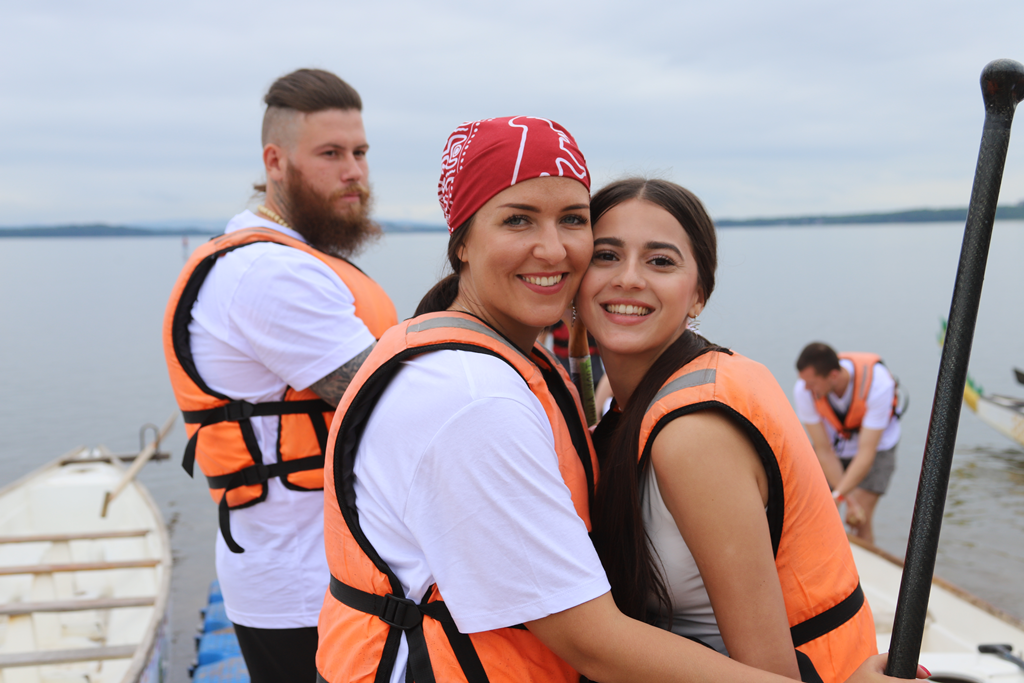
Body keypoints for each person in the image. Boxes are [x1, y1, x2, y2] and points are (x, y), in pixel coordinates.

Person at [315, 118, 922, 683]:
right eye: (518, 220)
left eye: (571, 221)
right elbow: (592, 639)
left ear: (700, 294)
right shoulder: (476, 398)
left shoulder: (672, 420)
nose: (554, 250)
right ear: (463, 243)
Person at [578, 178, 878, 683]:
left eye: (660, 261)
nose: (628, 279)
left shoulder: (693, 434)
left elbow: (770, 672)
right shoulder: (662, 391)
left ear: (698, 295)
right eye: (605, 256)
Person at [162, 68, 397, 682]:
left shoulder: (276, 258)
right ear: (275, 161)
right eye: (331, 154)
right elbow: (391, 406)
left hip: (297, 580)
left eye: (360, 152)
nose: (354, 172)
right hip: (305, 589)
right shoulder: (270, 274)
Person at [794, 342, 901, 545]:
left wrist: (841, 497)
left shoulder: (878, 384)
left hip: (876, 448)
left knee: (859, 517)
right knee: (818, 512)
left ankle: (864, 562)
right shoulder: (803, 389)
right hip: (835, 449)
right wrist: (844, 498)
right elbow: (823, 450)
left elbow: (866, 453)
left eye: (812, 383)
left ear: (833, 376)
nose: (806, 388)